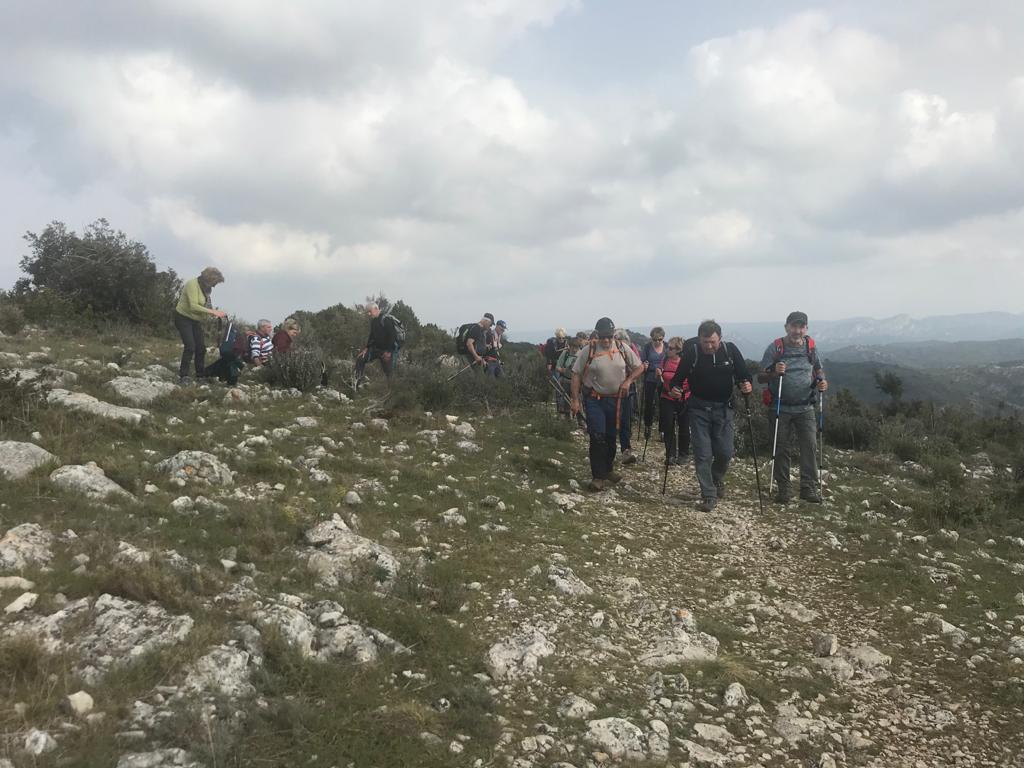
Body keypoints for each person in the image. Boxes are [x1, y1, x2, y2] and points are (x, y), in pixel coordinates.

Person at [668, 320, 753, 512]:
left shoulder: (730, 351)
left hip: (724, 409)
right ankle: (708, 494)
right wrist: (675, 389)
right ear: (699, 339)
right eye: (705, 341)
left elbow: (744, 374)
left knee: (725, 452)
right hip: (698, 409)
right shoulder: (693, 353)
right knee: (703, 453)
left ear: (720, 339)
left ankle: (716, 479)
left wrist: (746, 385)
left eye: (712, 342)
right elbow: (677, 379)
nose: (708, 346)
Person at [758, 311, 829, 504]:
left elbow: (818, 368)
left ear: (806, 328)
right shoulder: (776, 348)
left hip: (805, 406)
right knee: (781, 448)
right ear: (786, 327)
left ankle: (808, 488)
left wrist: (822, 380)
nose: (797, 331)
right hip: (779, 405)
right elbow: (760, 376)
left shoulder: (811, 347)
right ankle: (784, 489)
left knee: (810, 446)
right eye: (793, 326)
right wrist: (774, 372)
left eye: (801, 327)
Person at [570, 317, 644, 492]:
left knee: (611, 437)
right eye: (603, 336)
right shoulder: (588, 350)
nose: (606, 340)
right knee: (597, 436)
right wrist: (575, 400)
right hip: (595, 400)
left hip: (617, 401)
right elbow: (575, 374)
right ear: (597, 335)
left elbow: (639, 367)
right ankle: (598, 477)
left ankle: (608, 469)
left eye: (609, 336)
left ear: (613, 334)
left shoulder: (621, 348)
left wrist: (628, 382)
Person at [173, 267, 226, 384]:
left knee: (201, 348)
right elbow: (193, 306)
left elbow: (206, 305)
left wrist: (215, 314)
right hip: (183, 318)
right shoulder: (192, 284)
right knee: (190, 346)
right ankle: (183, 375)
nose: (215, 285)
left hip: (195, 320)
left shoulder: (207, 289)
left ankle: (200, 375)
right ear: (209, 278)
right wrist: (213, 312)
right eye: (215, 282)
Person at [657, 336, 690, 464]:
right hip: (666, 397)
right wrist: (659, 373)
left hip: (684, 398)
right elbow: (662, 372)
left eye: (670, 348)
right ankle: (670, 455)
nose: (667, 350)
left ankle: (683, 454)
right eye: (667, 347)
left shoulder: (685, 362)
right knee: (668, 426)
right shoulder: (665, 360)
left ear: (678, 350)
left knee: (684, 427)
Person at [614, 328, 641, 465]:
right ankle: (612, 449)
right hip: (611, 391)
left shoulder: (629, 350)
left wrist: (629, 380)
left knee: (625, 419)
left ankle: (625, 449)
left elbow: (638, 367)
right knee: (614, 420)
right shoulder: (611, 351)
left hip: (626, 389)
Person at [356, 302, 399, 386]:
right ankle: (355, 385)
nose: (369, 314)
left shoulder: (386, 319)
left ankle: (392, 393)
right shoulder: (374, 321)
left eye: (370, 311)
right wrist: (366, 348)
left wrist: (388, 352)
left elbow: (392, 336)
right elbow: (372, 336)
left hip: (387, 351)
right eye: (368, 312)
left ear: (376, 309)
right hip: (376, 349)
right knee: (360, 359)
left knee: (389, 373)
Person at [640, 327, 668, 441]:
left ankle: (662, 430)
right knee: (649, 404)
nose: (657, 342)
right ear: (651, 338)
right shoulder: (647, 347)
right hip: (650, 378)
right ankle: (648, 426)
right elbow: (643, 361)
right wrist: (647, 367)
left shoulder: (667, 347)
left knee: (663, 405)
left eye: (660, 339)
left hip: (663, 379)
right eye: (655, 339)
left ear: (663, 338)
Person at [554, 333, 585, 420]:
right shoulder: (565, 354)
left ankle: (581, 421)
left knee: (578, 401)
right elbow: (557, 366)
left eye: (577, 347)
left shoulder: (582, 355)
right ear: (570, 346)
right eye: (573, 347)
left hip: (577, 383)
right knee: (564, 402)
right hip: (565, 381)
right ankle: (567, 421)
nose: (574, 349)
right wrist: (563, 370)